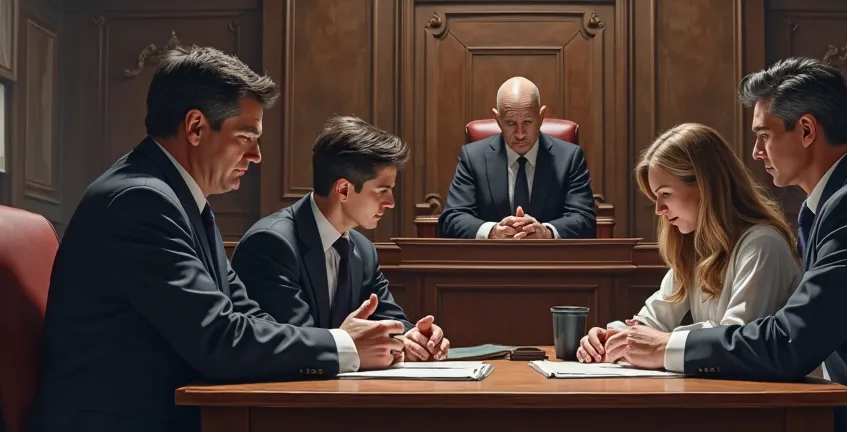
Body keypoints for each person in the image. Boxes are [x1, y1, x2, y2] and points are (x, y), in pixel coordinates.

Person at [26, 46, 404, 432]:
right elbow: (219, 340)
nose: (256, 155)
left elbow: (248, 315)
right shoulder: (140, 201)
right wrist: (343, 345)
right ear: (195, 127)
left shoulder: (178, 199)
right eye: (246, 136)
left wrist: (342, 342)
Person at [620, 58, 847, 432]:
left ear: (806, 130)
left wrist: (665, 347)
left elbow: (789, 342)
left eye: (764, 135)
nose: (755, 152)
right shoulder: (839, 202)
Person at [576, 123, 802, 365]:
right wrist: (613, 336)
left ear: (706, 187)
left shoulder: (763, 245)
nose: (659, 209)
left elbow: (736, 343)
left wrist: (660, 343)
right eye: (655, 196)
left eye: (666, 193)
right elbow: (653, 318)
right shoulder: (697, 246)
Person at [232, 115, 450, 361]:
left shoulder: (364, 250)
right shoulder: (271, 245)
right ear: (344, 190)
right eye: (382, 191)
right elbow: (298, 344)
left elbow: (390, 320)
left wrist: (415, 339)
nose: (390, 203)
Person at [438, 76, 597, 239]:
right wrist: (493, 232)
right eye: (510, 123)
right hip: (492, 260)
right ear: (497, 120)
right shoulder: (472, 158)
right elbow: (452, 219)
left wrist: (546, 233)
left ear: (541, 117)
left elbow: (585, 220)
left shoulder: (570, 158)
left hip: (549, 261)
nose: (520, 134)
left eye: (527, 121)